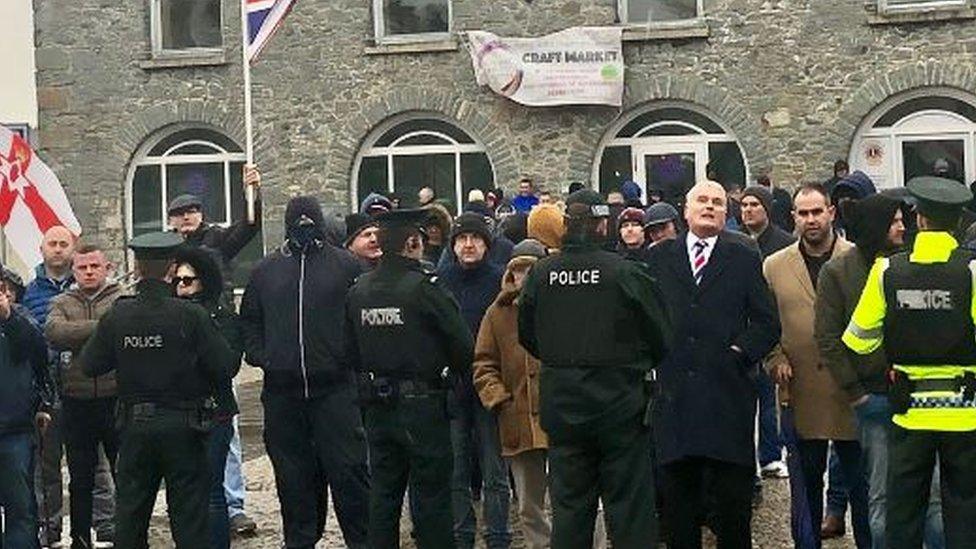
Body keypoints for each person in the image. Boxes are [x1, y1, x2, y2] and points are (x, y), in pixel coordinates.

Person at [519, 189, 671, 548]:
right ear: (604, 225)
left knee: (570, 511)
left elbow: (528, 336)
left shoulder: (541, 274)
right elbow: (661, 335)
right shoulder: (626, 273)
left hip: (564, 406)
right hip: (620, 404)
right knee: (630, 510)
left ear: (567, 225)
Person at [77, 231, 235, 547]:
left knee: (131, 518)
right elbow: (225, 366)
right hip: (183, 427)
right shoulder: (190, 314)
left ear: (136, 268)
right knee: (190, 519)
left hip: (135, 426)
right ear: (171, 269)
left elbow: (90, 364)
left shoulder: (119, 315)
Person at [644, 180, 780, 548]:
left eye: (717, 202)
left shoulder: (743, 256)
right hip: (675, 399)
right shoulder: (659, 257)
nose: (709, 207)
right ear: (685, 211)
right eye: (701, 201)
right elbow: (645, 317)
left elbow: (767, 323)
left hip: (727, 397)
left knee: (732, 510)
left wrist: (739, 353)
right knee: (679, 509)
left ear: (726, 213)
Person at [843, 176, 976, 548]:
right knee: (965, 509)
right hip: (965, 411)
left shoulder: (887, 271)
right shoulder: (971, 270)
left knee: (903, 510)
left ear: (920, 219)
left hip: (908, 409)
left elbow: (858, 338)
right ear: (959, 222)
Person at [239, 196, 370, 548]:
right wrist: (262, 356)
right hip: (284, 392)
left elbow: (360, 318)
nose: (304, 230)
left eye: (310, 223)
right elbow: (250, 319)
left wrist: (351, 358)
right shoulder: (266, 270)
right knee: (294, 483)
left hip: (336, 390)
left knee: (349, 475)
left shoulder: (346, 266)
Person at [817, 193, 946, 548]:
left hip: (918, 393)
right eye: (893, 221)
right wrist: (857, 394)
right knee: (882, 495)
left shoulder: (909, 265)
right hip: (873, 396)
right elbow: (828, 338)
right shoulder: (839, 272)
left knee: (932, 494)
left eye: (903, 219)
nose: (902, 226)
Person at [345, 208, 473, 548]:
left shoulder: (359, 291)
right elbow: (462, 346)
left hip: (377, 403)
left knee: (384, 495)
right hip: (423, 405)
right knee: (431, 497)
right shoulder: (424, 288)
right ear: (412, 243)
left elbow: (349, 351)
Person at [764, 183, 870, 548]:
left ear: (831, 213)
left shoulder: (860, 259)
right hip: (801, 389)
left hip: (851, 391)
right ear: (793, 217)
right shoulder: (775, 266)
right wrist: (774, 358)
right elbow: (763, 323)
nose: (810, 220)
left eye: (816, 212)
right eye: (803, 213)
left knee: (864, 487)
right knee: (805, 487)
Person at [436, 212, 511, 549]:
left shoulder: (499, 281)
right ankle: (461, 533)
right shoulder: (440, 281)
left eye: (475, 239)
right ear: (453, 245)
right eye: (461, 239)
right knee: (456, 469)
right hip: (453, 388)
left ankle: (497, 534)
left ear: (486, 244)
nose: (468, 245)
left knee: (495, 470)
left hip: (489, 386)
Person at [44, 244, 123, 549]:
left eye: (94, 266)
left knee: (123, 472)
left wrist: (82, 332)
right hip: (76, 401)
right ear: (74, 271)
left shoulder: (120, 299)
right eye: (83, 267)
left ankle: (127, 534)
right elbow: (55, 332)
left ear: (106, 268)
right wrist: (103, 327)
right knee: (80, 478)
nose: (89, 272)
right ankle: (80, 539)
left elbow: (120, 329)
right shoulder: (62, 301)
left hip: (115, 397)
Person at [474, 239, 551, 549]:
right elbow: (483, 362)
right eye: (518, 271)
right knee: (529, 504)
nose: (524, 278)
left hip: (563, 415)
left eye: (531, 270)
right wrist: (499, 398)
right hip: (517, 419)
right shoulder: (497, 313)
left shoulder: (563, 303)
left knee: (577, 498)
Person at [173, 245, 245, 549]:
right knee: (184, 493)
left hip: (214, 412)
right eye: (177, 280)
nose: (180, 286)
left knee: (213, 492)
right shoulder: (172, 315)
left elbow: (227, 366)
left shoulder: (223, 319)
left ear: (204, 281)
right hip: (178, 412)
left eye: (187, 281)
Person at [22, 225, 77, 547]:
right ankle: (50, 530)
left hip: (84, 386)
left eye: (63, 244)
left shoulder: (84, 284)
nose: (58, 249)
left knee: (95, 467)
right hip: (47, 390)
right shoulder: (29, 292)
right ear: (42, 249)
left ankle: (103, 528)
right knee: (47, 467)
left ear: (72, 249)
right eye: (52, 244)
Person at [740, 185, 794, 480]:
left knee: (770, 397)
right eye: (744, 205)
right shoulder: (735, 241)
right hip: (745, 329)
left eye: (754, 205)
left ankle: (772, 454)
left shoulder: (783, 243)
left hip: (774, 327)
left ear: (767, 209)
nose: (748, 210)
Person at [0, 274, 51, 549]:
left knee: (20, 509)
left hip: (13, 430)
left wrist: (7, 317)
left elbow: (40, 353)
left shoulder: (21, 320)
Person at [167, 164, 262, 289]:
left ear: (201, 215)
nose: (186, 217)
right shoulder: (166, 247)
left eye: (191, 212)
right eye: (179, 214)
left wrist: (252, 194)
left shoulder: (216, 238)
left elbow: (249, 226)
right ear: (170, 220)